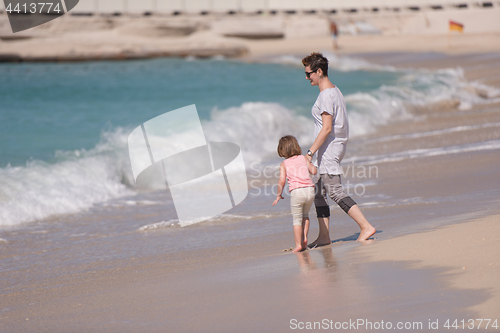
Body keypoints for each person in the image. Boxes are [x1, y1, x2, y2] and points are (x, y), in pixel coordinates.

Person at [302, 52, 376, 245]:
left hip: (329, 149)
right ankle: (324, 236)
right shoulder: (335, 90)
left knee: (334, 191)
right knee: (319, 190)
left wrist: (309, 153)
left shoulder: (327, 96)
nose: (307, 77)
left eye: (308, 73)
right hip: (331, 147)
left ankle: (365, 226)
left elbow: (327, 128)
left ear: (319, 71)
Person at [273, 135, 317, 252]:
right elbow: (314, 171)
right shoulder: (303, 158)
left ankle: (298, 244)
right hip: (310, 190)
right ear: (297, 146)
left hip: (297, 192)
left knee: (297, 219)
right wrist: (310, 164)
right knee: (305, 215)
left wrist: (278, 195)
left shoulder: (284, 164)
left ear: (282, 150)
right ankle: (305, 239)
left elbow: (282, 181)